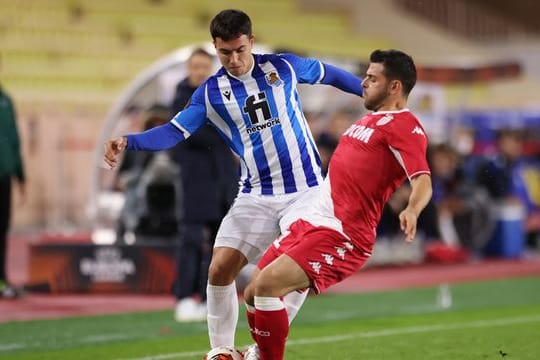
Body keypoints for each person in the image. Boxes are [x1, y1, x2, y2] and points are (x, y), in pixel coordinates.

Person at [103, 9, 363, 351]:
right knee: (219, 269)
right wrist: (129, 140)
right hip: (256, 194)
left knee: (293, 273)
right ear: (215, 48)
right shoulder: (210, 94)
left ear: (251, 42)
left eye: (240, 50)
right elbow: (173, 131)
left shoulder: (282, 67)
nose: (235, 59)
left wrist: (370, 95)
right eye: (225, 52)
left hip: (307, 192)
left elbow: (330, 75)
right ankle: (221, 352)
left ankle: (261, 350)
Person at [243, 49, 433, 360]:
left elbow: (422, 178)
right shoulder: (371, 119)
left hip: (344, 234)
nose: (364, 84)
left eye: (372, 78)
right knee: (252, 292)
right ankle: (258, 354)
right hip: (313, 220)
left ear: (394, 86)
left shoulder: (405, 127)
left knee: (266, 287)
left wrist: (412, 208)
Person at [169, 48, 238, 322]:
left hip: (223, 183)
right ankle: (184, 297)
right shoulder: (180, 100)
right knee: (191, 241)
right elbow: (202, 131)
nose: (199, 71)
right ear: (188, 69)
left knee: (220, 245)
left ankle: (208, 297)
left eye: (203, 67)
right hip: (195, 185)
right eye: (195, 66)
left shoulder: (218, 95)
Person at [0, 53, 26, 299]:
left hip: (4, 173)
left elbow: (14, 141)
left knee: (3, 227)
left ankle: (2, 279)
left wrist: (21, 176)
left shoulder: (6, 100)